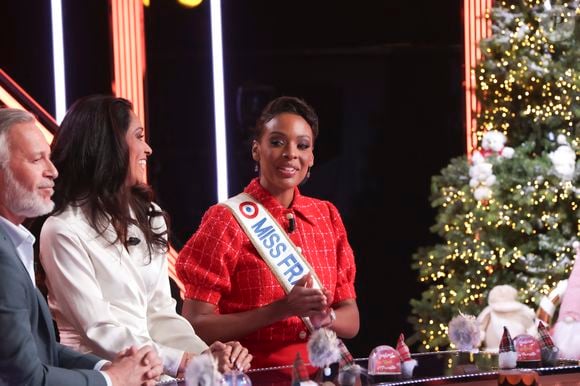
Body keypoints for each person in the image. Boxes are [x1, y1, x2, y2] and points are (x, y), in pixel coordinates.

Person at [38, 95, 252, 379]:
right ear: (108, 145)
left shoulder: (148, 214)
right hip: (102, 375)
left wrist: (206, 357)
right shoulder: (62, 230)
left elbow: (160, 311)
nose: (148, 148)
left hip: (158, 370)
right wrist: (183, 362)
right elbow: (99, 331)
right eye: (138, 136)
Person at [176, 96, 359, 368]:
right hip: (252, 375)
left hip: (323, 374)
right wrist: (281, 310)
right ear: (256, 150)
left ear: (311, 157)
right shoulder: (225, 219)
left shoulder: (326, 215)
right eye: (276, 142)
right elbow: (195, 324)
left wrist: (325, 319)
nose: (290, 153)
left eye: (302, 145)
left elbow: (352, 319)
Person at [0, 107, 163, 386]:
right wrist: (112, 379)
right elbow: (26, 379)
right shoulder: (10, 252)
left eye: (49, 159)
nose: (52, 171)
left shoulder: (14, 242)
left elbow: (43, 351)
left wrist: (114, 367)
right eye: (37, 159)